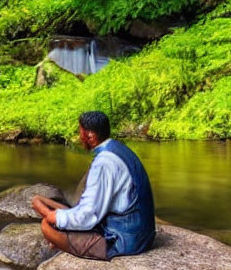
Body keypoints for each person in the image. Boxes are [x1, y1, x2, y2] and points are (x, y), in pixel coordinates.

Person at [31, 110, 156, 260]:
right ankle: (64, 237)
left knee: (46, 226)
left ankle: (67, 245)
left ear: (90, 136)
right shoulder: (117, 148)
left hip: (125, 239)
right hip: (137, 231)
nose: (79, 136)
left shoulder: (103, 163)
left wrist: (55, 218)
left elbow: (89, 215)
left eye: (80, 131)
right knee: (41, 200)